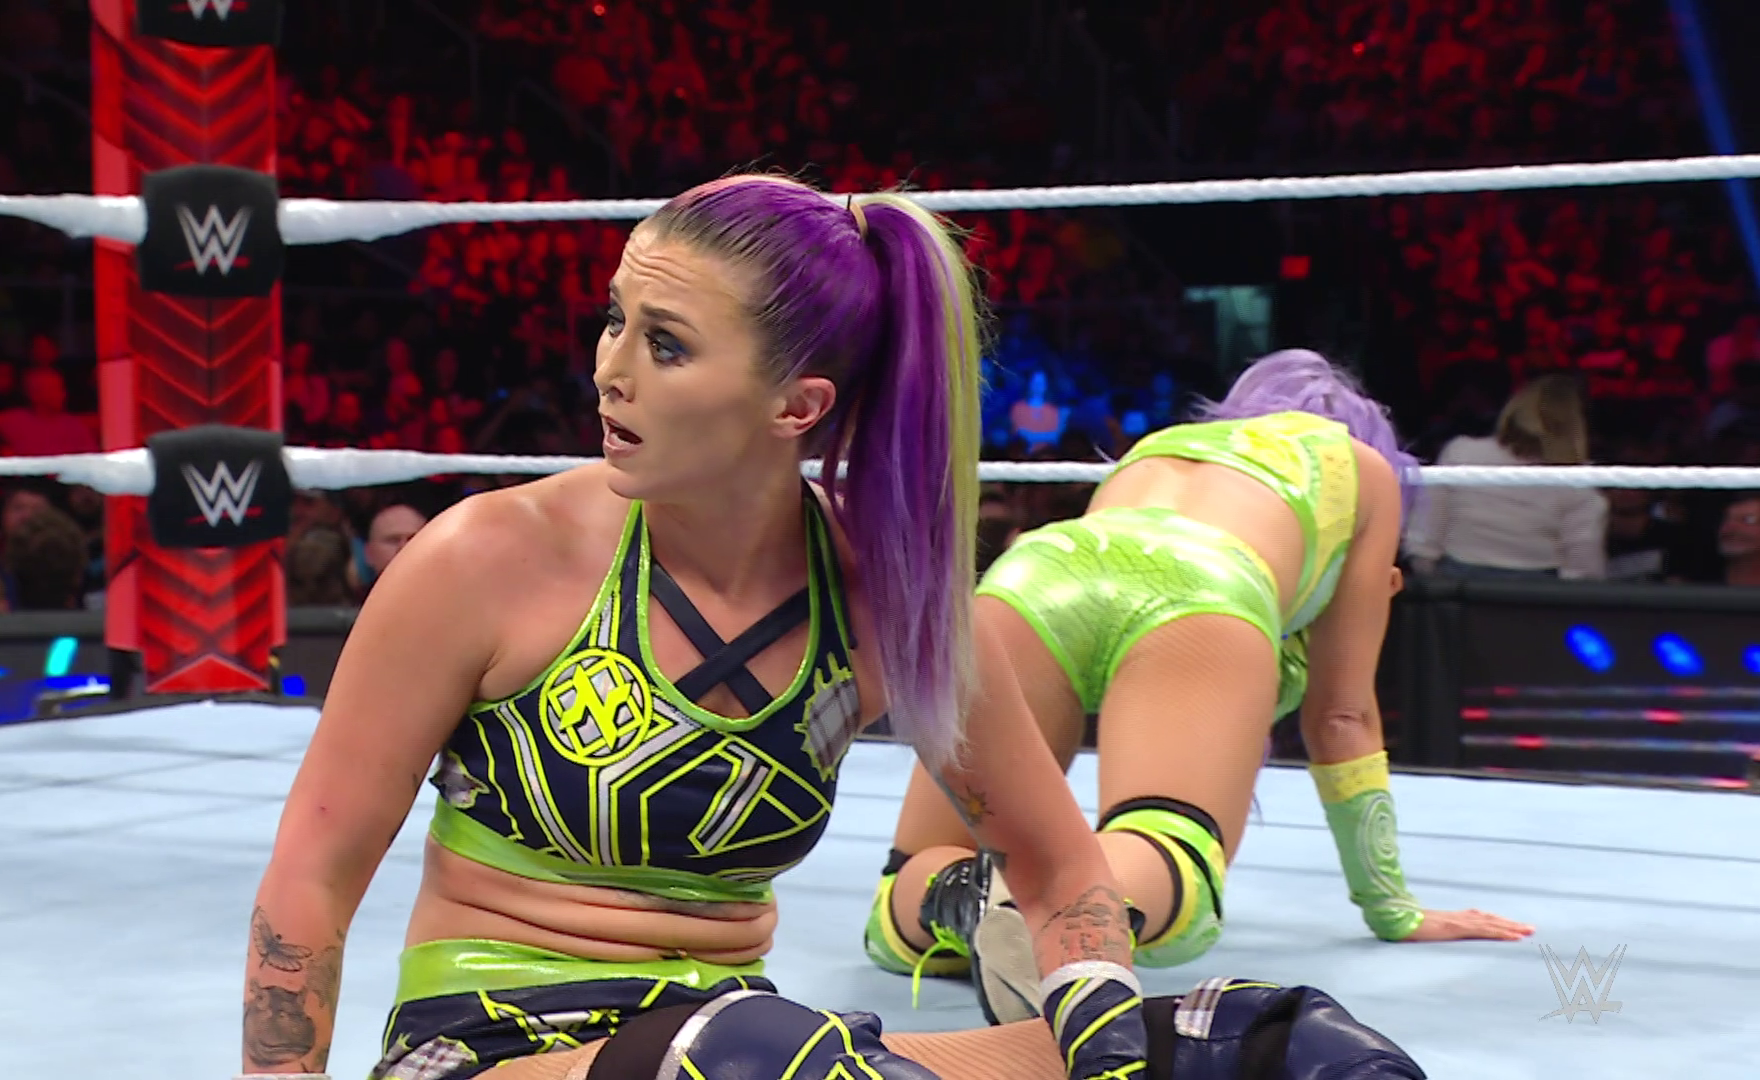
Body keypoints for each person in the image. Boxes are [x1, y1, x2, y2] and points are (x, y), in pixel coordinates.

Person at [241, 182, 1423, 1080]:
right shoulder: (486, 559)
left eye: (664, 343)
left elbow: (1063, 869)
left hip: (753, 1046)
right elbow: (310, 877)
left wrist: (1108, 1058)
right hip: (490, 1051)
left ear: (796, 405)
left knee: (1273, 1042)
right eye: (614, 322)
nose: (609, 371)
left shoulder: (879, 596)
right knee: (754, 1055)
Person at [863, 350, 1535, 1024]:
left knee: (901, 900)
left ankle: (965, 895)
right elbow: (1342, 716)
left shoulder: (1162, 446)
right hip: (1201, 586)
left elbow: (1107, 591)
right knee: (1175, 862)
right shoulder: (1361, 469)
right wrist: (1392, 907)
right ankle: (1053, 905)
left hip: (1034, 572)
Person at [1403, 374, 1607, 580]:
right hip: (1522, 589)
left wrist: (1434, 585)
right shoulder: (1578, 481)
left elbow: (1423, 539)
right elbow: (1583, 571)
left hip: (1463, 585)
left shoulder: (1461, 451)